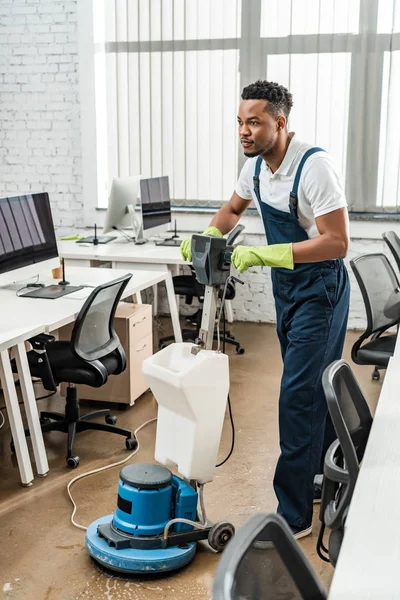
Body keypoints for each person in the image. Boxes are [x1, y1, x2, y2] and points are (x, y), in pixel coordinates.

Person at [180, 80, 350, 539]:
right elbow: (233, 209)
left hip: (321, 287)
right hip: (287, 289)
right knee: (313, 387)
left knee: (297, 396)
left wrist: (268, 254)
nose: (244, 131)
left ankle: (293, 515)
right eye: (240, 121)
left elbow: (337, 242)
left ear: (280, 122)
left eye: (253, 122)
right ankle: (326, 477)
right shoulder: (254, 168)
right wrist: (206, 236)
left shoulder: (314, 167)